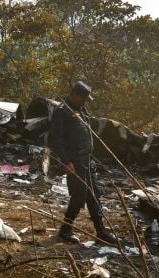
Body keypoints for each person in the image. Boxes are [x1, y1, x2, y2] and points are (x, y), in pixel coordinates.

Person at [48, 81, 118, 244]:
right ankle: (65, 230)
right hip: (74, 162)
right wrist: (66, 162)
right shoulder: (62, 112)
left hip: (86, 161)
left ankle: (101, 232)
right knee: (79, 196)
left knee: (94, 195)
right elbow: (55, 140)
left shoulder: (81, 110)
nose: (85, 102)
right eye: (83, 98)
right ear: (75, 95)